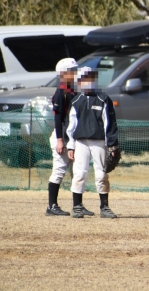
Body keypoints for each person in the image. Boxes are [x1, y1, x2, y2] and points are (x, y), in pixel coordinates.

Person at [66, 67, 119, 219]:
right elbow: (71, 125)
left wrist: (112, 145)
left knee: (101, 174)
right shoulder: (76, 101)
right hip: (81, 142)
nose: (87, 82)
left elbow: (110, 123)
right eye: (83, 79)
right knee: (79, 173)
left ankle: (104, 207)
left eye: (89, 78)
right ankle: (77, 206)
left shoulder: (103, 99)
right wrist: (70, 146)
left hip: (99, 141)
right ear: (79, 81)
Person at [45, 58, 78, 216]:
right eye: (72, 70)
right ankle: (52, 206)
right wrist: (59, 140)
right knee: (59, 171)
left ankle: (78, 205)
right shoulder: (61, 91)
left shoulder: (73, 90)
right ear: (63, 73)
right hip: (62, 137)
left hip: (72, 137)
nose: (75, 73)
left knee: (77, 172)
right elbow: (58, 118)